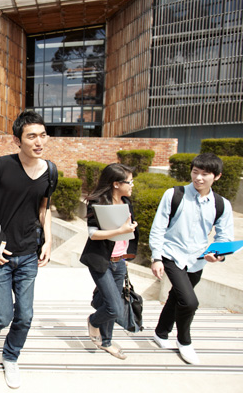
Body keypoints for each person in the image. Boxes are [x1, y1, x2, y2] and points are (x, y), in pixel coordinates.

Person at [0, 110, 56, 389]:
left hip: (29, 253)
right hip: (1, 256)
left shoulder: (50, 171)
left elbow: (44, 208)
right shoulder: (0, 166)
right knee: (3, 315)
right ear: (17, 140)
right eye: (32, 136)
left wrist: (49, 239)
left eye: (42, 135)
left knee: (25, 315)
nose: (39, 141)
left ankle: (11, 357)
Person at [149, 153, 234, 365]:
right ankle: (184, 342)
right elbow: (158, 227)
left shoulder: (221, 205)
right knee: (189, 302)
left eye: (205, 174)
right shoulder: (174, 194)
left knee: (176, 297)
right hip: (171, 254)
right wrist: (156, 257)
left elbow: (224, 237)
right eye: (195, 172)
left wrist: (218, 256)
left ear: (217, 176)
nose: (198, 178)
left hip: (197, 259)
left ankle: (161, 333)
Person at [80, 163, 139, 360]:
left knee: (108, 302)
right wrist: (121, 231)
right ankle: (93, 321)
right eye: (129, 182)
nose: (132, 185)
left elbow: (128, 233)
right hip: (101, 261)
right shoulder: (98, 203)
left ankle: (106, 342)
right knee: (114, 307)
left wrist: (127, 252)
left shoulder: (126, 203)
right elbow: (93, 234)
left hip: (120, 261)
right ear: (116, 183)